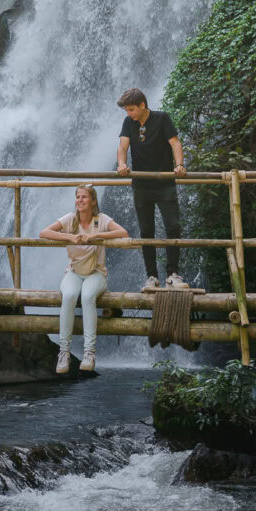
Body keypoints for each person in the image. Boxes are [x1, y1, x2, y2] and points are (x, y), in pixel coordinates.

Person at [40, 184, 128, 375]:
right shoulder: (70, 220)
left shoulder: (102, 220)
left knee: (88, 297)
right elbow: (44, 232)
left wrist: (97, 235)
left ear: (93, 201)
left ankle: (90, 352)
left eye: (84, 197)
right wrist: (69, 238)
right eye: (78, 197)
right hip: (73, 272)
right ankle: (64, 352)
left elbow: (123, 232)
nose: (79, 200)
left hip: (96, 274)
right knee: (69, 295)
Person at [116, 87, 187, 291]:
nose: (129, 114)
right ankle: (151, 277)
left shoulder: (162, 118)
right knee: (146, 231)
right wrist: (121, 164)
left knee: (173, 226)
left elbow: (175, 143)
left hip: (164, 184)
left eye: (131, 109)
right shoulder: (128, 123)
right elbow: (122, 147)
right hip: (141, 185)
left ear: (142, 105)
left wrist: (180, 165)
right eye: (127, 110)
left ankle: (173, 275)